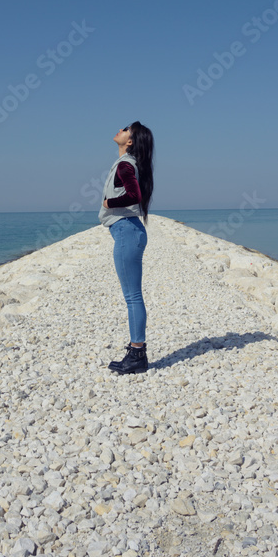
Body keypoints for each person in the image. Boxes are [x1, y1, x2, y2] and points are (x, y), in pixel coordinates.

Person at [98, 121, 155, 375]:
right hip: (129, 231)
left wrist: (110, 202)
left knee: (132, 296)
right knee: (133, 295)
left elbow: (134, 196)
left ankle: (137, 354)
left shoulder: (124, 165)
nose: (118, 130)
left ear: (129, 141)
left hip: (126, 231)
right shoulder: (128, 164)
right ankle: (136, 352)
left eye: (124, 129)